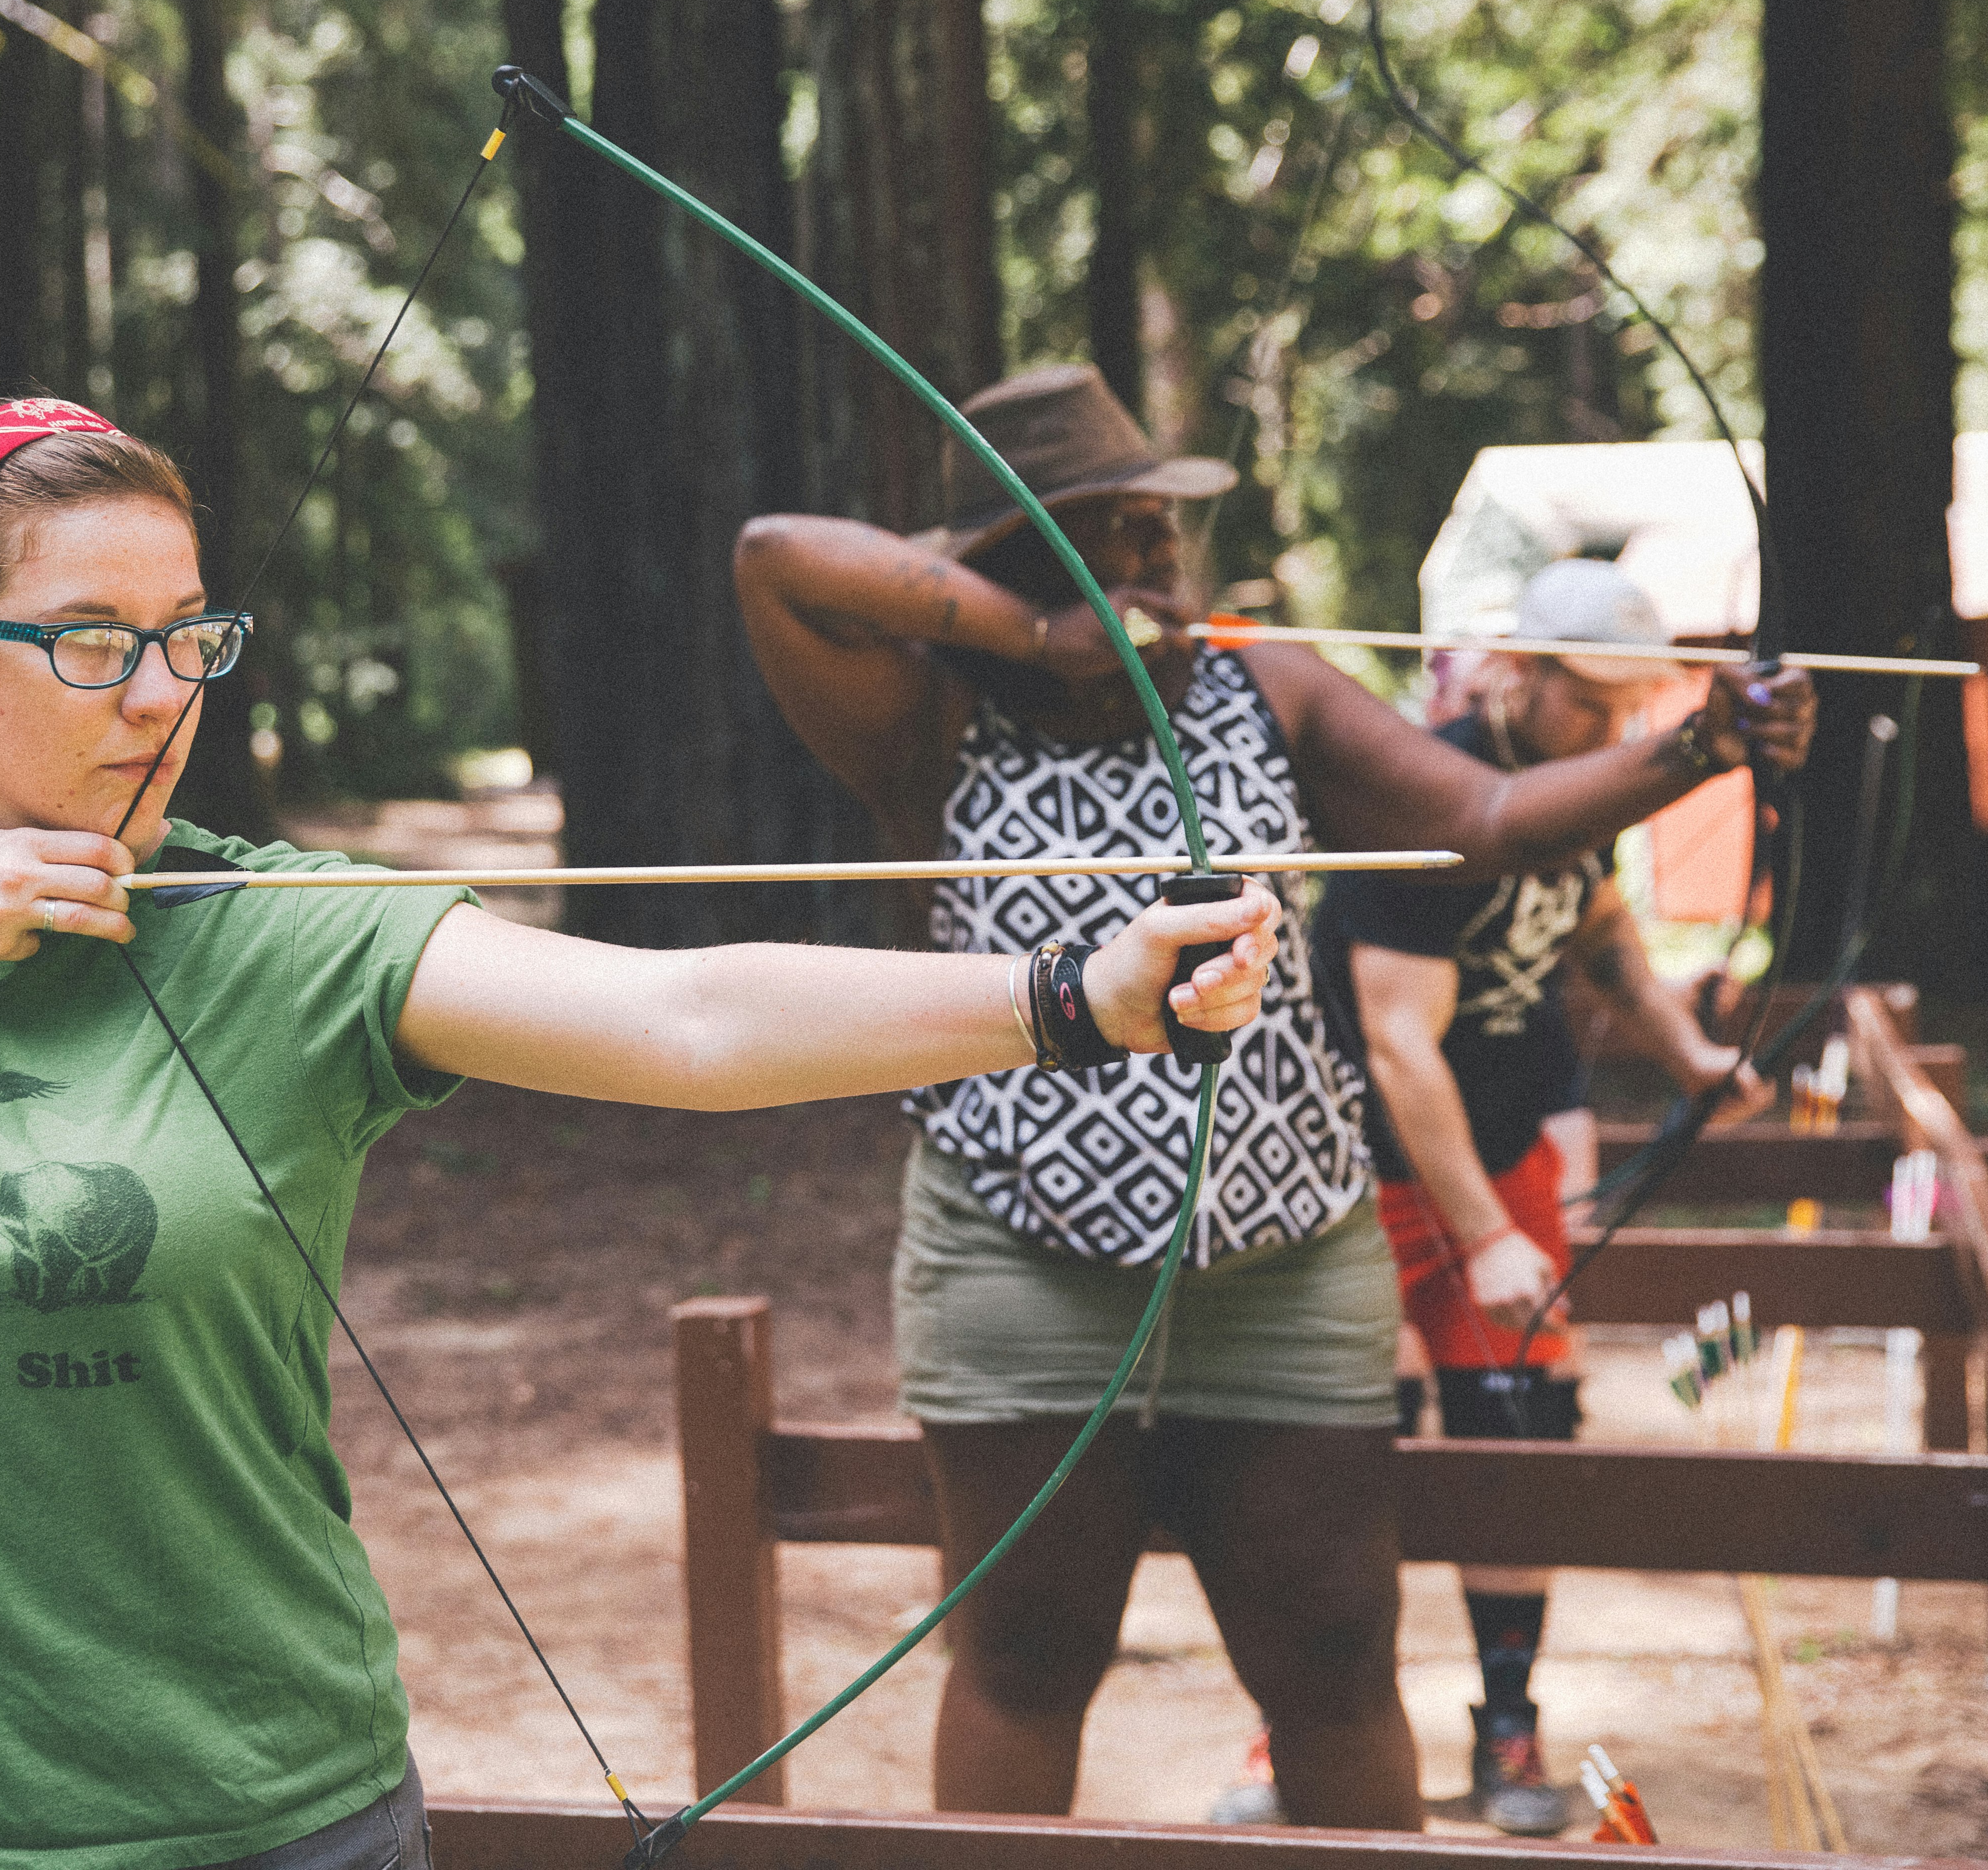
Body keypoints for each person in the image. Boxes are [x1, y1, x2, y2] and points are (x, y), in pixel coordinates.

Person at [0, 397, 1293, 1870]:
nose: (157, 700)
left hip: (251, 1822)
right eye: (87, 646)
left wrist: (1075, 997)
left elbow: (680, 1013)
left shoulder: (286, 931)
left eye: (183, 641)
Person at [731, 365, 1816, 1830]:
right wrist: (1036, 635)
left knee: (1332, 1654)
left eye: (1153, 537)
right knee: (1028, 1655)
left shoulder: (1266, 681)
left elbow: (1485, 821)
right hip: (1020, 1254)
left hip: (1288, 1253)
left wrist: (1697, 745)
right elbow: (776, 560)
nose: (1141, 570)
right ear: (993, 566)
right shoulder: (920, 720)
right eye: (1092, 540)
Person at [1303, 559, 1773, 1836]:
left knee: (1514, 1433)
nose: (1618, 731)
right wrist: (1487, 1236)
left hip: (1501, 1154)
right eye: (1593, 701)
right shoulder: (1422, 794)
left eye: (1637, 706)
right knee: (1345, 1452)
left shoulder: (1584, 790)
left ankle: (1508, 1726)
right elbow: (1399, 1046)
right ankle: (1304, 1720)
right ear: (1518, 669)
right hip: (1359, 1169)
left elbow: (1600, 921)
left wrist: (1687, 1055)